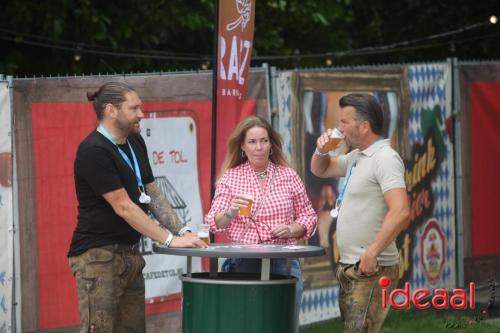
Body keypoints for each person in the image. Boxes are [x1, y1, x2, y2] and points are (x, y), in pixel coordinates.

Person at [67, 82, 206, 333]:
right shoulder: (93, 151)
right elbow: (124, 207)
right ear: (112, 110)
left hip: (130, 254)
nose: (141, 114)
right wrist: (169, 239)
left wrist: (183, 231)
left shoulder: (135, 141)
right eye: (134, 108)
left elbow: (151, 192)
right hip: (98, 257)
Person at [205, 115, 317, 333]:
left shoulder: (288, 175)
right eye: (253, 142)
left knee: (283, 323)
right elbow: (214, 221)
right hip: (244, 260)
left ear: (271, 144)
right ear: (242, 147)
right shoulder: (230, 177)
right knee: (245, 324)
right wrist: (230, 211)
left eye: (264, 141)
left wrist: (291, 229)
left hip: (283, 259)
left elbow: (308, 215)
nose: (259, 147)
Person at [310, 93, 410, 333]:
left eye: (344, 122)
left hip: (372, 268)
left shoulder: (385, 158)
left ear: (364, 126)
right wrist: (322, 150)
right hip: (355, 266)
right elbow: (320, 170)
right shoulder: (357, 156)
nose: (339, 127)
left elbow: (401, 212)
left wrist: (371, 253)